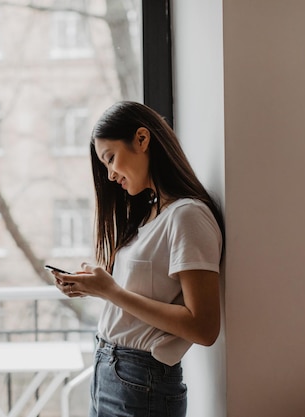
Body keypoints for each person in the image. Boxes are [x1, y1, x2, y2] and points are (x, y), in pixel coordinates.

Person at [50, 101, 224, 417]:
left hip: (141, 381)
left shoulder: (187, 216)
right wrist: (98, 286)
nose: (110, 174)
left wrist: (111, 292)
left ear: (142, 140)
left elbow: (204, 327)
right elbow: (142, 297)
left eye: (111, 158)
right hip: (111, 371)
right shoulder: (148, 217)